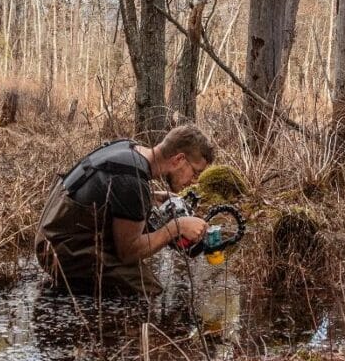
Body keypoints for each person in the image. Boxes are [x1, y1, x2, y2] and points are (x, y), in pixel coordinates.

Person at [35, 123, 216, 297]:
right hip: (59, 251)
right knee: (149, 290)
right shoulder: (132, 179)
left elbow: (108, 191)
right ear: (179, 160)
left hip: (54, 234)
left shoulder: (128, 148)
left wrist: (152, 196)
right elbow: (128, 252)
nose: (195, 181)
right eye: (195, 172)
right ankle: (66, 296)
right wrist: (177, 227)